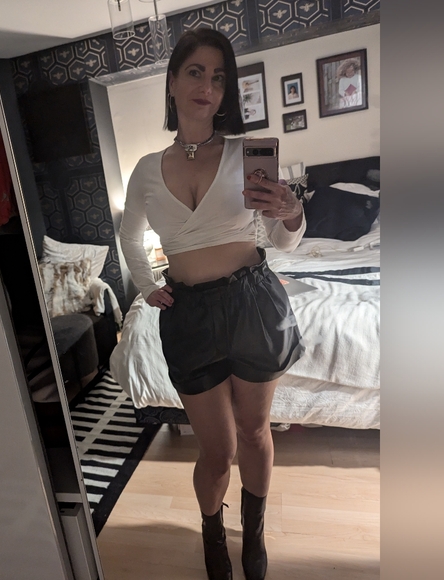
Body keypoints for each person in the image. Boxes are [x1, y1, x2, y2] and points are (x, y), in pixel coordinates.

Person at [119, 28, 306, 580]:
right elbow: (129, 237)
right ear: (172, 82)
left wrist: (292, 211)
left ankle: (254, 532)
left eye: (219, 77)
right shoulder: (146, 169)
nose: (207, 86)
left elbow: (283, 241)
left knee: (254, 432)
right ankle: (211, 532)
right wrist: (144, 285)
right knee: (217, 450)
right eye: (196, 72)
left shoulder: (247, 156)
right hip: (190, 314)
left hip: (252, 303)